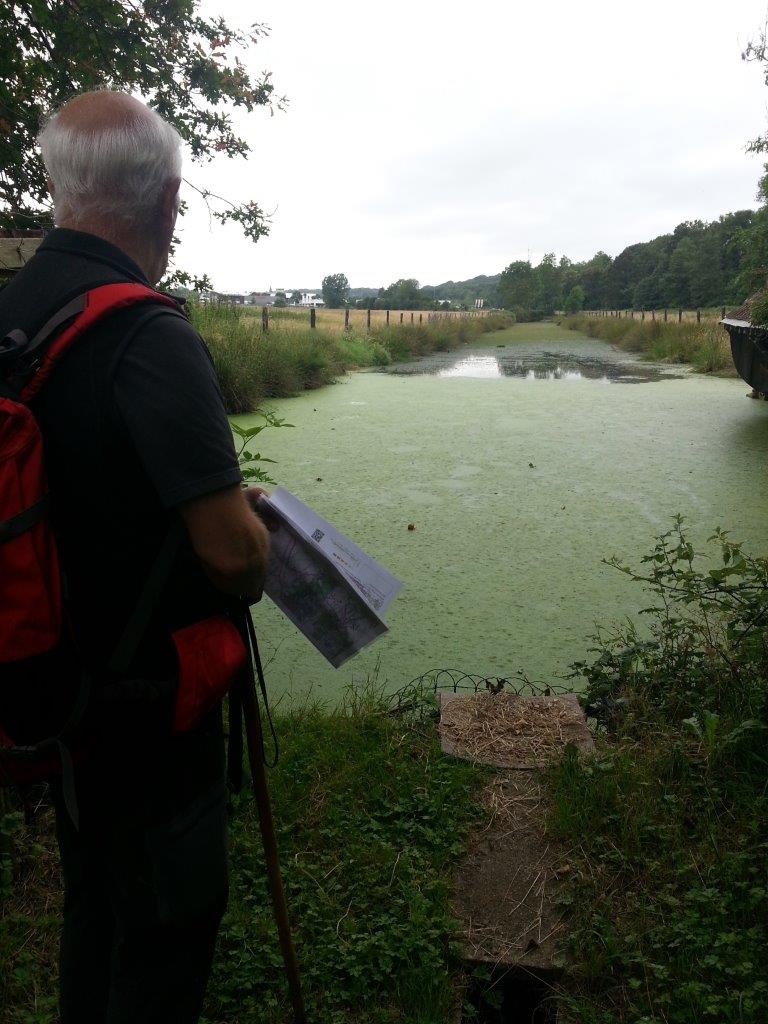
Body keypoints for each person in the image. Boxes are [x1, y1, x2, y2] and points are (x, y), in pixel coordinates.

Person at [0, 91, 270, 1022]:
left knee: (94, 913)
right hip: (151, 716)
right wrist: (255, 532)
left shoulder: (15, 313)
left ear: (59, 188)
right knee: (163, 942)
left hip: (52, 692)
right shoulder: (149, 335)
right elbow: (235, 559)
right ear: (166, 205)